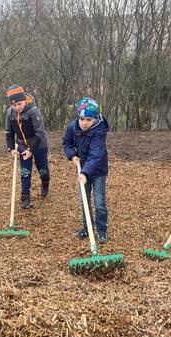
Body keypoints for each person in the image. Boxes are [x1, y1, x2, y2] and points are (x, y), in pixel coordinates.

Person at [62, 97, 109, 244]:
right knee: (84, 200)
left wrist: (85, 173)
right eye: (82, 119)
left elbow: (96, 155)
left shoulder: (99, 132)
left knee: (99, 202)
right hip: (82, 169)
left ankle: (101, 230)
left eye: (88, 119)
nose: (84, 122)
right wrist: (72, 155)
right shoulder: (73, 127)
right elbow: (66, 142)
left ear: (94, 119)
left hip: (98, 171)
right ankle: (87, 228)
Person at [5, 85, 50, 209]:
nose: (17, 107)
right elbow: (9, 133)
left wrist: (31, 149)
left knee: (43, 169)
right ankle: (25, 196)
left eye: (19, 104)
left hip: (38, 144)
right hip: (22, 145)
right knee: (25, 172)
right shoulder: (10, 113)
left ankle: (45, 182)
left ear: (24, 99)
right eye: (14, 105)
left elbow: (40, 133)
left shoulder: (33, 111)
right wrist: (11, 149)